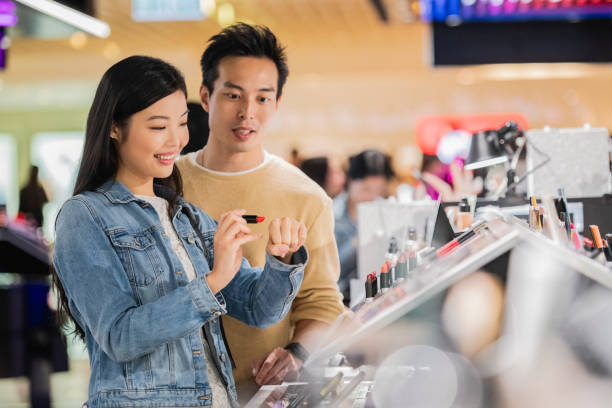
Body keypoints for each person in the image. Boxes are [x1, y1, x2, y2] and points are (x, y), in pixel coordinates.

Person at [51, 55, 309, 408]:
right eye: (158, 127)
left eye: (182, 123)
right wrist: (212, 282)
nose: (176, 140)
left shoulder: (186, 216)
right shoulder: (83, 217)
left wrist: (281, 259)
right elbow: (120, 337)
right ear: (114, 127)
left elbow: (258, 309)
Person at [176, 23, 344, 400]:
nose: (247, 112)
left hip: (261, 395)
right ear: (206, 96)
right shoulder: (166, 185)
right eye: (233, 95)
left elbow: (321, 301)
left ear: (277, 103)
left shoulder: (306, 198)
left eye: (263, 98)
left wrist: (296, 353)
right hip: (175, 393)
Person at [334, 149, 394, 303]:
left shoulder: (386, 211)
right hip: (340, 299)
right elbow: (328, 268)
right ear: (349, 182)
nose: (372, 197)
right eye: (365, 189)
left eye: (379, 190)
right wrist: (359, 242)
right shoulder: (332, 214)